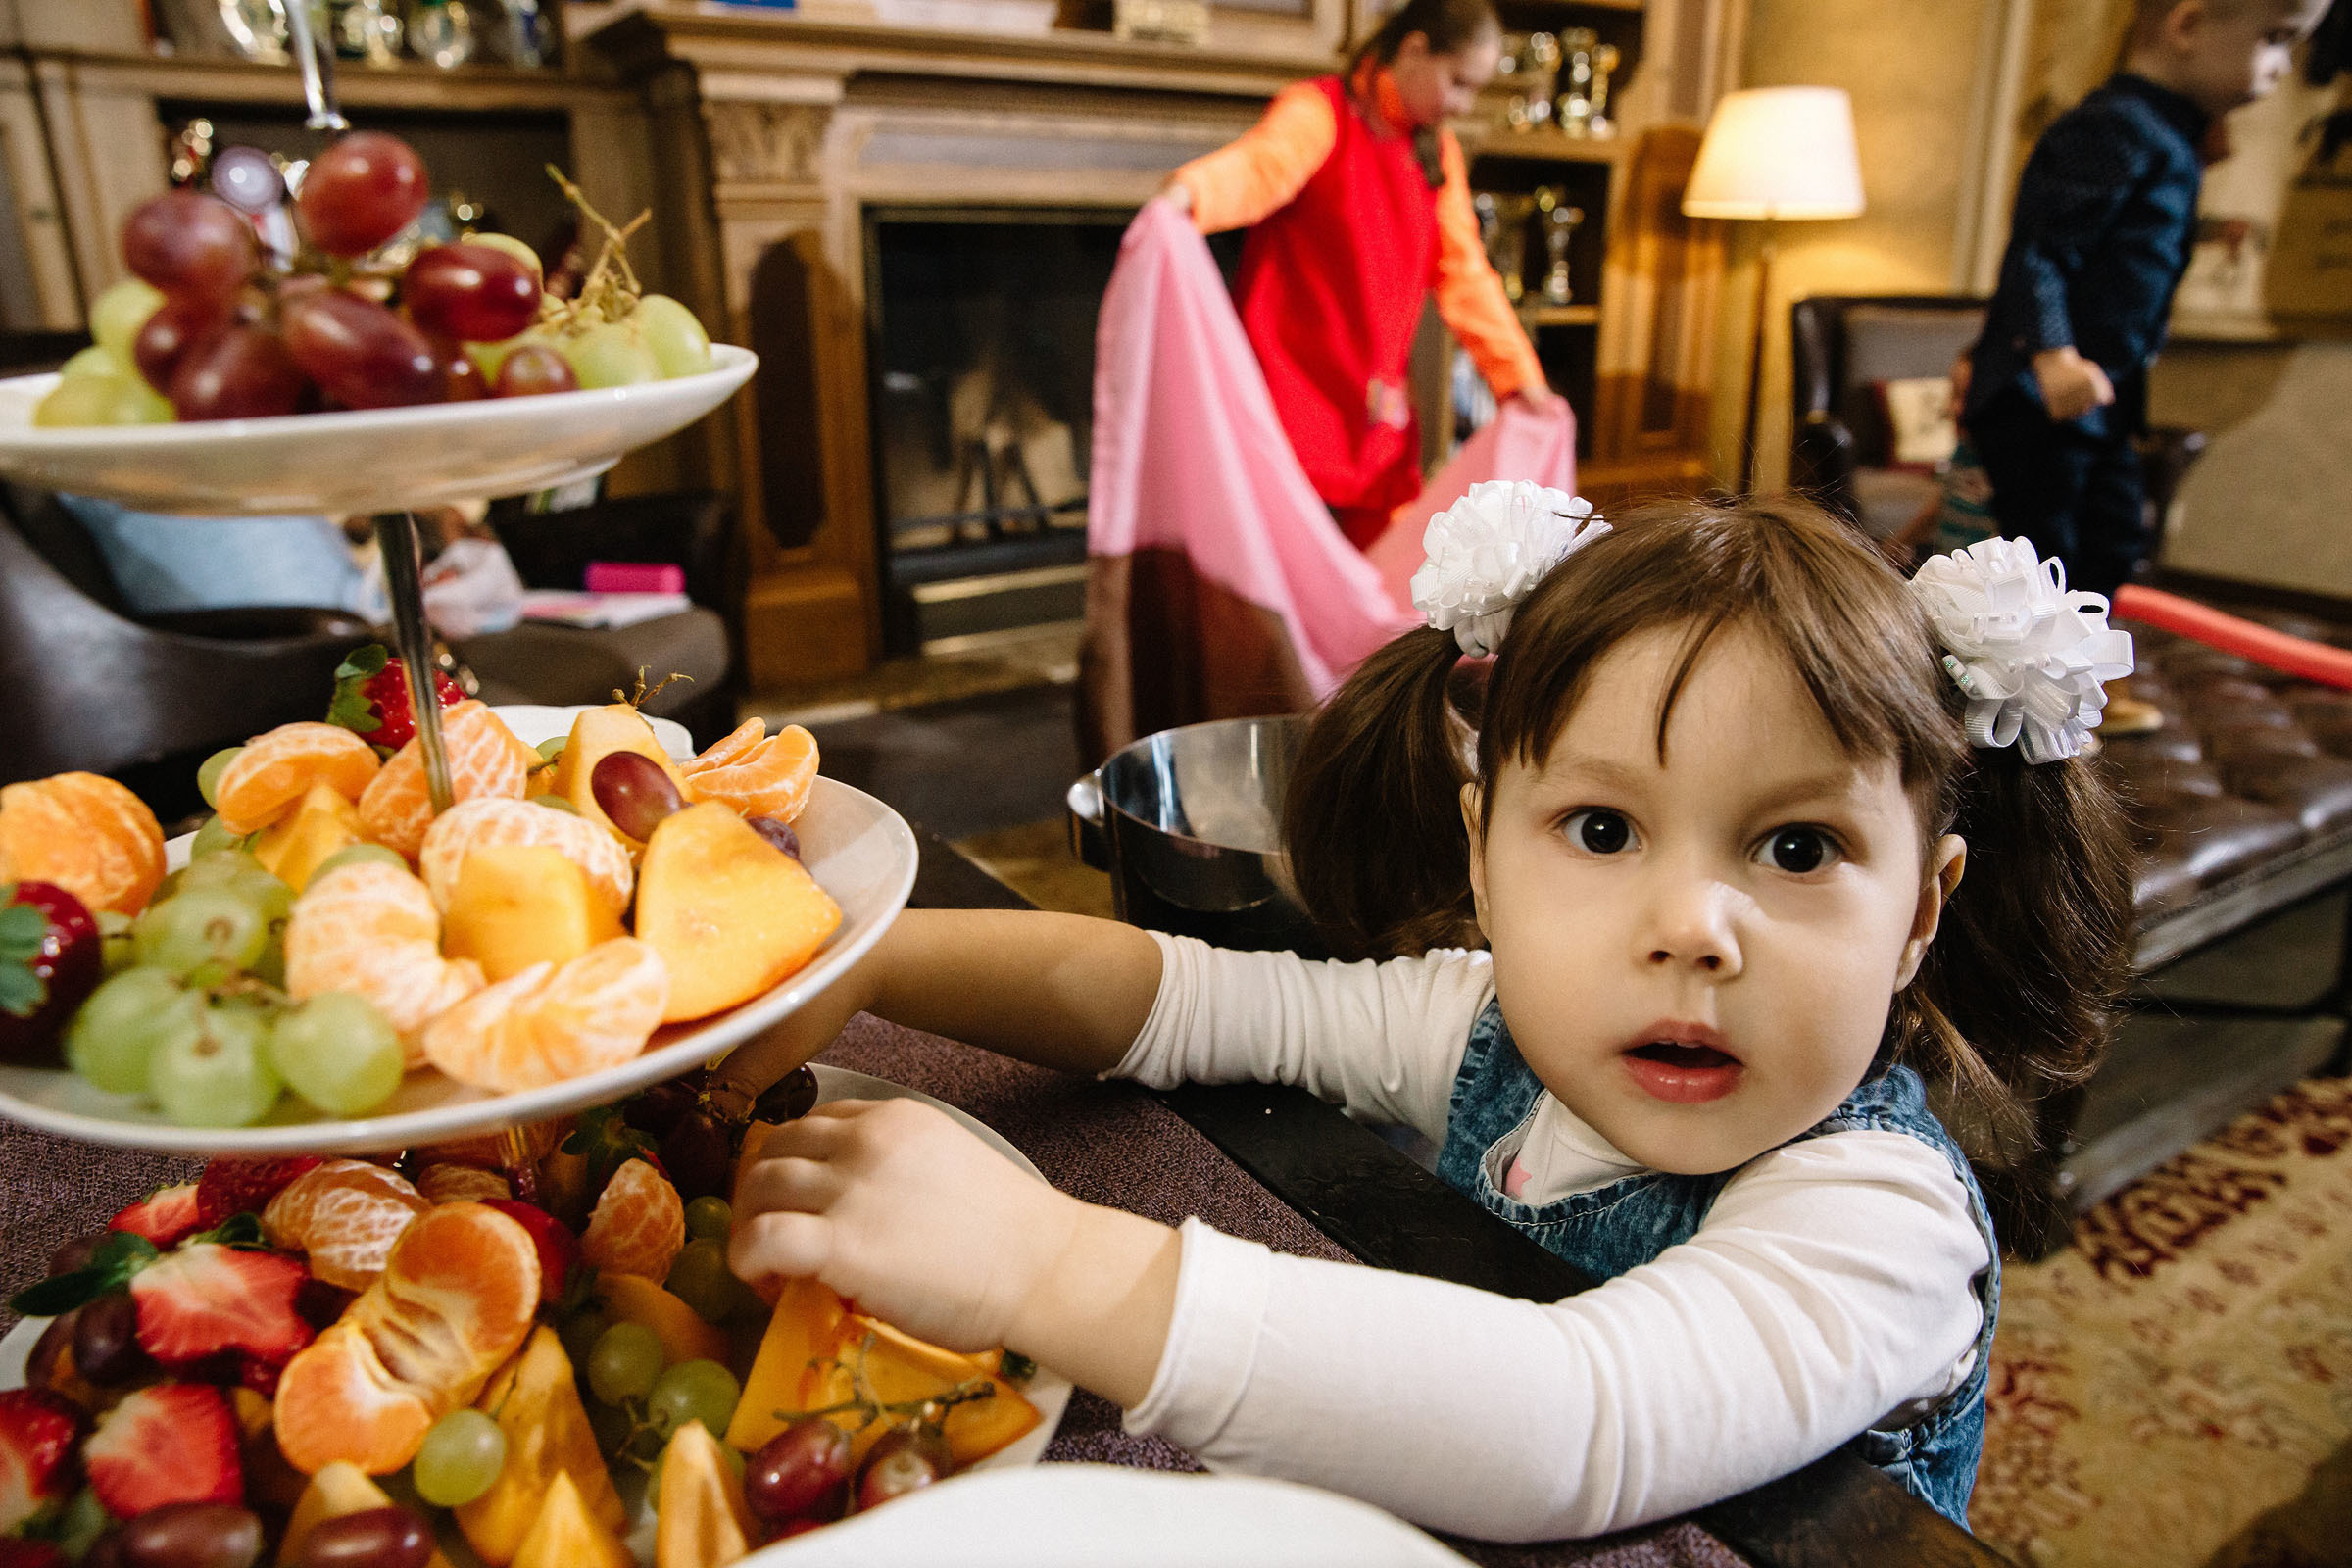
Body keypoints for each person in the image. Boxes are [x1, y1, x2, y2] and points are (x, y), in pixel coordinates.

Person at [715, 490, 2139, 1540]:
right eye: (1600, 828)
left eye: (1797, 851)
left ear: (1924, 910)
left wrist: (1044, 1262)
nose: (1692, 930)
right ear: (1481, 849)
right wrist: (853, 956)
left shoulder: (1881, 1220)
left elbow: (1578, 1420)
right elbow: (1179, 999)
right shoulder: (1494, 1036)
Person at [1959, 0, 2326, 598]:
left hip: (2106, 400)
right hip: (2045, 398)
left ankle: (2082, 673)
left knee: (2114, 541)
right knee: (2041, 558)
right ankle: (2026, 685)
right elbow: (2041, 250)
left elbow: (2135, 237)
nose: (2283, 66)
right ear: (2187, 26)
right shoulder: (2113, 126)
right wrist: (2053, 354)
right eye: (2276, 39)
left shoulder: (2174, 136)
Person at [1159, 0, 1558, 549]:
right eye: (1457, 82)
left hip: (1374, 411)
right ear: (1415, 49)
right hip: (1290, 395)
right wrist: (1188, 197)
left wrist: (1521, 380)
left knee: (1375, 572)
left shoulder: (1437, 152)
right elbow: (1260, 168)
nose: (1462, 105)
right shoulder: (1319, 112)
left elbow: (1465, 273)